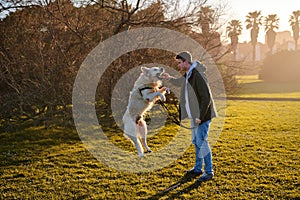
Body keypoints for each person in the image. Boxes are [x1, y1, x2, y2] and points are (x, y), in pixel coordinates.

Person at [163, 51, 217, 182]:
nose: (179, 66)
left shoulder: (198, 75)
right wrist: (169, 78)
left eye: (180, 63)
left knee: (202, 142)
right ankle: (198, 168)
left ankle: (209, 172)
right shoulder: (190, 74)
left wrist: (200, 116)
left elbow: (206, 98)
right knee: (196, 142)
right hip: (194, 116)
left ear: (187, 62)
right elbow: (180, 82)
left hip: (201, 116)